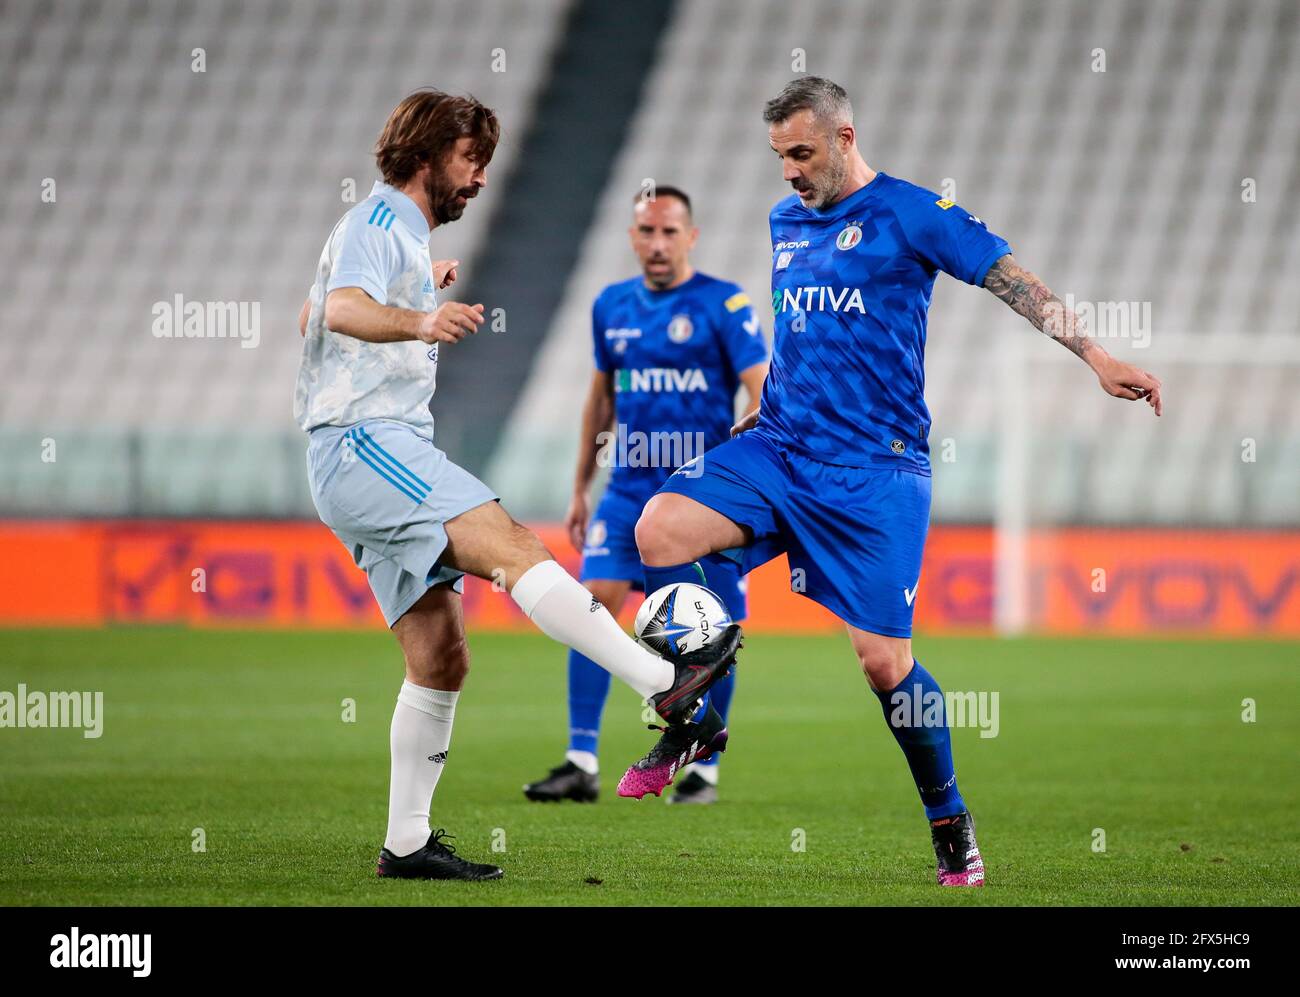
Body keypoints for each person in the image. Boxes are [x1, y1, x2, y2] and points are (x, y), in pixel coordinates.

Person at [630, 77, 1163, 886]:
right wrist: (761, 414)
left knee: (884, 665)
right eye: (779, 156)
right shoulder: (785, 222)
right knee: (658, 528)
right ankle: (695, 717)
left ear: (846, 138)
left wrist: (1096, 357)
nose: (789, 173)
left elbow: (1013, 281)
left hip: (875, 472)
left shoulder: (914, 213)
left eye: (802, 153)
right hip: (779, 447)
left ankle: (949, 818)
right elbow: (803, 336)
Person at [294, 90, 740, 881]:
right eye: (472, 161)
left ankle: (405, 846)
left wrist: (413, 292)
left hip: (360, 454)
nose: (480, 180)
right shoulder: (379, 221)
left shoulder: (391, 235)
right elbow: (336, 309)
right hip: (366, 445)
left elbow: (311, 315)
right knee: (515, 545)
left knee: (440, 656)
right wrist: (419, 318)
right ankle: (666, 683)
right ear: (430, 155)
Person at [523, 186, 767, 806]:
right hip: (626, 489)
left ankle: (704, 768)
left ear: (691, 236)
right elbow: (600, 397)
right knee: (590, 607)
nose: (657, 243)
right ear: (633, 238)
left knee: (713, 628)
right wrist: (580, 486)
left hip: (698, 501)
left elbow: (761, 387)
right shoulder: (611, 306)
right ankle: (581, 759)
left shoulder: (724, 304)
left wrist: (746, 460)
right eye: (647, 232)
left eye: (669, 232)